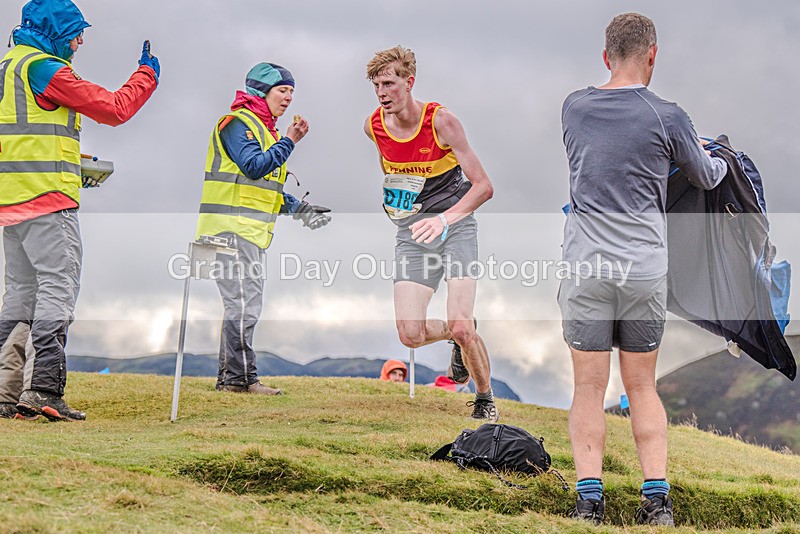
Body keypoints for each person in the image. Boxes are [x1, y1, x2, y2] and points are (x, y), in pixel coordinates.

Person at [559, 13, 728, 526]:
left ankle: (589, 503)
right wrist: (715, 155)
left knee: (589, 387)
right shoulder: (668, 116)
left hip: (587, 266)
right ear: (653, 54)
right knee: (641, 387)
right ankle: (656, 504)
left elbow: (602, 158)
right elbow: (706, 177)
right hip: (643, 271)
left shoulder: (574, 107)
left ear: (604, 56)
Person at [0, 0, 160, 421]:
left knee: (19, 296)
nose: (80, 42)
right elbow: (113, 108)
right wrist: (146, 75)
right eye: (75, 33)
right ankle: (43, 389)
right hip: (48, 201)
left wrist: (74, 166)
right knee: (57, 288)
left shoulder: (7, 68)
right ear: (55, 31)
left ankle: (5, 394)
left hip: (11, 202)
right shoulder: (44, 68)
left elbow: (23, 137)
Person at [363, 46, 497, 421]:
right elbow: (393, 173)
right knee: (410, 333)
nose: (382, 93)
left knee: (461, 323)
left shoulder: (442, 122)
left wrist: (443, 220)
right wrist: (397, 204)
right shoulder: (373, 126)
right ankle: (457, 334)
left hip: (455, 227)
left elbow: (484, 187)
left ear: (409, 82)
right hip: (414, 233)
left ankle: (484, 398)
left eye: (389, 84)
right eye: (376, 86)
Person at [195, 62, 330, 396]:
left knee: (241, 304)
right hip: (229, 229)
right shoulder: (237, 124)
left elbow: (265, 190)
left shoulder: (265, 133)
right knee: (244, 305)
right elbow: (254, 167)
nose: (289, 98)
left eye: (292, 92)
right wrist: (290, 141)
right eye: (283, 90)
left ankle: (231, 379)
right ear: (261, 90)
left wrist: (300, 209)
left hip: (246, 232)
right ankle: (240, 380)